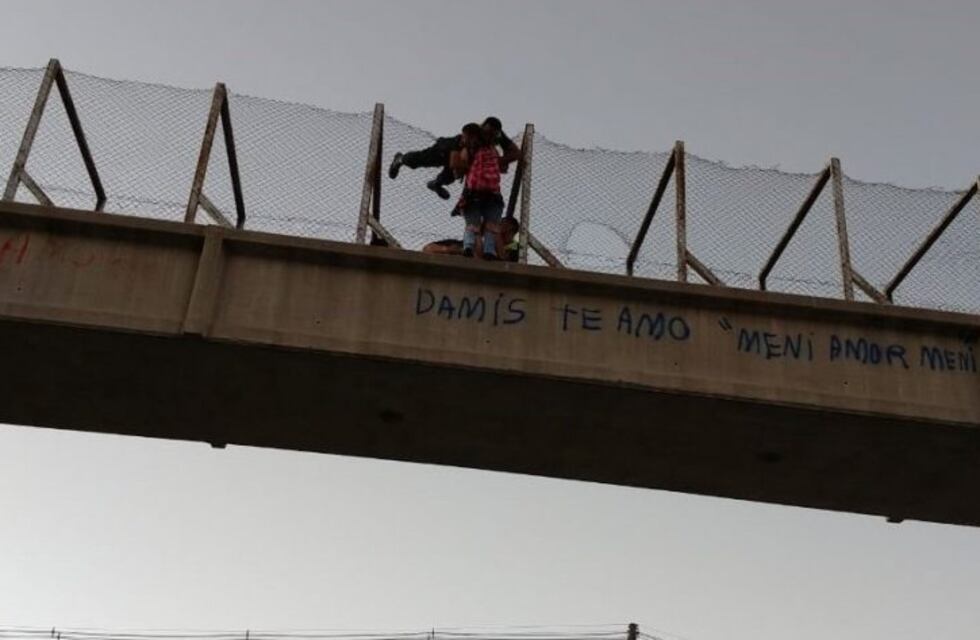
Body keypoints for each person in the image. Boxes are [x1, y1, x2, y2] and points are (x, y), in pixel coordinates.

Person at [388, 117, 520, 200]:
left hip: (466, 159)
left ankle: (436, 184)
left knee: (449, 177)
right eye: (486, 134)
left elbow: (516, 153)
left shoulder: (498, 136)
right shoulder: (469, 135)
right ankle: (400, 159)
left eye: (492, 135)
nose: (488, 137)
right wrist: (479, 167)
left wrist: (497, 162)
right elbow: (455, 164)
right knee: (419, 160)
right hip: (446, 150)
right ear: (481, 129)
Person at [456, 122, 504, 259]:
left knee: (472, 224)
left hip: (474, 194)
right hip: (493, 194)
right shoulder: (494, 151)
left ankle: (468, 247)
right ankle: (489, 251)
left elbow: (462, 163)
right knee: (491, 225)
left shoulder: (471, 150)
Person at [422, 216, 521, 262]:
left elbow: (504, 260)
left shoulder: (514, 249)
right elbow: (427, 248)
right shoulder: (467, 245)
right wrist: (449, 250)